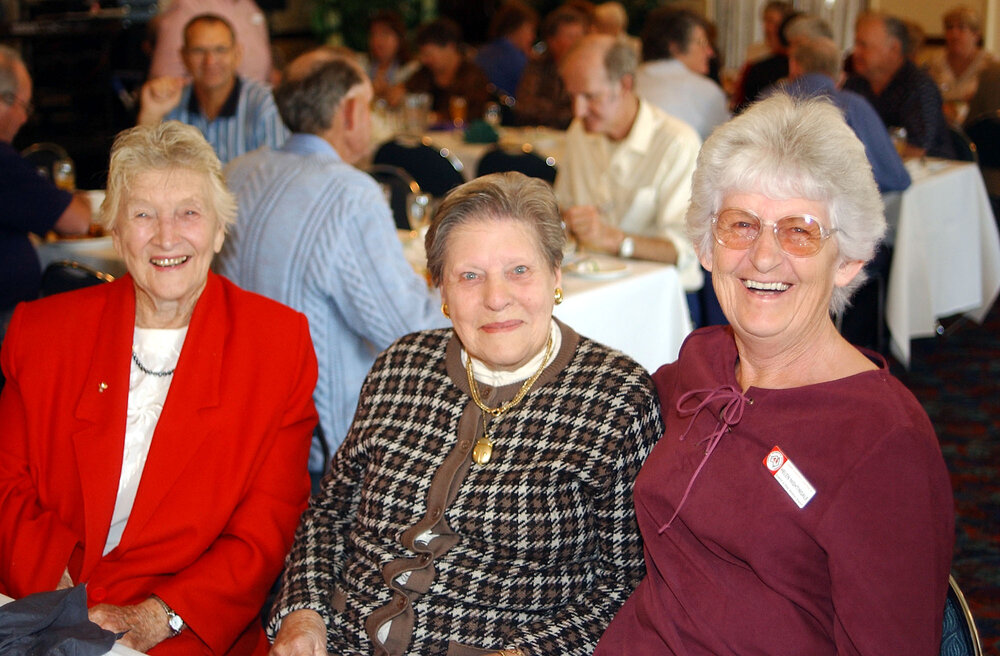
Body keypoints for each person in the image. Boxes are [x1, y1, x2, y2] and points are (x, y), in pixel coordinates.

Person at [595, 93, 954, 654]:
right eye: (741, 225)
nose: (763, 257)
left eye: (800, 230)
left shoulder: (883, 441)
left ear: (849, 259)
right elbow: (605, 402)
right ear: (706, 246)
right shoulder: (704, 364)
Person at [266, 172, 662, 656]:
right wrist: (303, 615)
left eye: (520, 270)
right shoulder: (401, 364)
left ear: (556, 275)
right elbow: (330, 514)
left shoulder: (616, 398)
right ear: (442, 293)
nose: (496, 298)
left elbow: (630, 584)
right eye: (469, 275)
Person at [0, 121, 318, 654]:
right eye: (143, 213)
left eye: (188, 213)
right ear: (116, 231)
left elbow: (265, 530)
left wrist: (154, 619)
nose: (166, 236)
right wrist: (62, 608)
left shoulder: (276, 344)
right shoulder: (44, 332)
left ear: (220, 230)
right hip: (42, 609)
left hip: (183, 628)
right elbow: (6, 485)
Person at [218, 49, 447, 481]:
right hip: (324, 448)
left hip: (245, 421)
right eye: (368, 106)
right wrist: (460, 285)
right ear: (348, 111)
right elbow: (409, 332)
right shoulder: (349, 193)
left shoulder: (237, 172)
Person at [556, 35, 703, 293]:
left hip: (658, 292)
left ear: (625, 85)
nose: (578, 111)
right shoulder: (579, 133)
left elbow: (683, 251)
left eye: (590, 97)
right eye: (572, 96)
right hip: (589, 282)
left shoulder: (676, 142)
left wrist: (614, 239)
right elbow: (562, 207)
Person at [0, 44, 91, 332]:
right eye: (24, 107)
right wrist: (83, 200)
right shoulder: (2, 163)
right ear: (4, 100)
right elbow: (77, 221)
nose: (25, 118)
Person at [138, 13, 288, 164]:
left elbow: (279, 176)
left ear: (237, 54)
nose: (210, 61)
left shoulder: (266, 104)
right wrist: (151, 115)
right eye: (199, 50)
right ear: (184, 57)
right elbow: (143, 169)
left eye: (220, 50)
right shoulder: (171, 104)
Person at [784, 36, 910, 192]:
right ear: (840, 76)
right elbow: (896, 178)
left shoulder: (766, 102)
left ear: (793, 66)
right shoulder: (853, 107)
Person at [844, 12, 955, 159]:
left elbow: (918, 149)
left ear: (894, 49)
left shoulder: (919, 87)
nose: (856, 52)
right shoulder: (855, 84)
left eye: (863, 45)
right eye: (856, 44)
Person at [636, 7, 730, 141]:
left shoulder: (627, 82)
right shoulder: (706, 91)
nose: (710, 52)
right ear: (674, 47)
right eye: (702, 43)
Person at [148, 0, 273, 85]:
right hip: (202, 118)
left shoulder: (249, 6)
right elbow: (165, 80)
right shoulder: (188, 7)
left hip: (255, 110)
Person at [513, 5, 587, 128]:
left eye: (580, 36)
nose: (577, 43)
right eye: (570, 37)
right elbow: (525, 106)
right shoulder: (538, 66)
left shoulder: (589, 70)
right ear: (552, 41)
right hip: (539, 135)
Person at [406, 18, 490, 124]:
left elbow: (474, 115)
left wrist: (437, 117)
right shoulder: (424, 74)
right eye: (422, 54)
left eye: (428, 54)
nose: (424, 60)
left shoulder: (473, 77)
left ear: (450, 47)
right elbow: (407, 94)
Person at [926, 5, 997, 125]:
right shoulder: (933, 63)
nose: (954, 34)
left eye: (961, 28)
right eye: (949, 28)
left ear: (976, 35)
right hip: (940, 127)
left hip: (976, 128)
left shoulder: (990, 66)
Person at [474, 0, 537, 99]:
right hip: (509, 111)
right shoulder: (516, 59)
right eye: (530, 30)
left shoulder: (482, 52)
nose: (532, 37)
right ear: (517, 29)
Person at [364, 10, 419, 108]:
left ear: (399, 38)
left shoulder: (412, 69)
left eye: (385, 34)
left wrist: (388, 91)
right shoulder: (363, 65)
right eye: (373, 34)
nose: (378, 40)